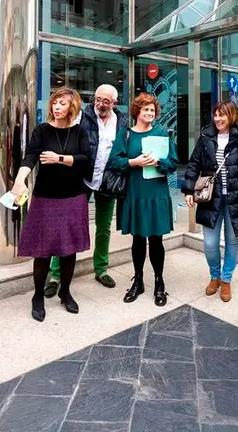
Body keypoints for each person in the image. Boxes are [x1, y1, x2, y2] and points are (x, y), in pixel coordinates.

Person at [11, 87, 91, 322]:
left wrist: (60, 159)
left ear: (72, 107)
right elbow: (30, 156)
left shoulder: (80, 132)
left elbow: (87, 161)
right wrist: (19, 180)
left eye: (62, 103)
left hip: (74, 196)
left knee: (69, 250)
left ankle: (65, 292)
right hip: (45, 198)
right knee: (42, 250)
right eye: (55, 102)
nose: (56, 107)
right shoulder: (42, 131)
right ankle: (37, 295)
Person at [44, 84, 127, 296]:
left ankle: (101, 269)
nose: (100, 104)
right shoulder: (82, 116)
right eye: (98, 99)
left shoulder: (122, 121)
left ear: (114, 103)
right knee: (67, 225)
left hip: (107, 181)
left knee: (104, 227)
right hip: (81, 179)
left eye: (105, 101)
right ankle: (55, 274)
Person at [182, 101, 238, 302]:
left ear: (231, 115)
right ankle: (214, 276)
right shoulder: (206, 137)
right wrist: (189, 189)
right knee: (209, 243)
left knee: (233, 241)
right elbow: (194, 164)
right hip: (210, 198)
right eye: (215, 114)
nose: (217, 118)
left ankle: (226, 279)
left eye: (222, 115)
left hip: (236, 198)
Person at [107, 93, 178, 306]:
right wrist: (133, 162)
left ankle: (159, 281)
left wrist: (158, 162)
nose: (149, 113)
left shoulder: (162, 133)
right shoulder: (126, 134)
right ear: (137, 111)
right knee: (138, 239)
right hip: (135, 193)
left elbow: (173, 162)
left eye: (152, 110)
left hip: (156, 193)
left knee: (156, 240)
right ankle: (138, 281)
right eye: (145, 109)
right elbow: (114, 161)